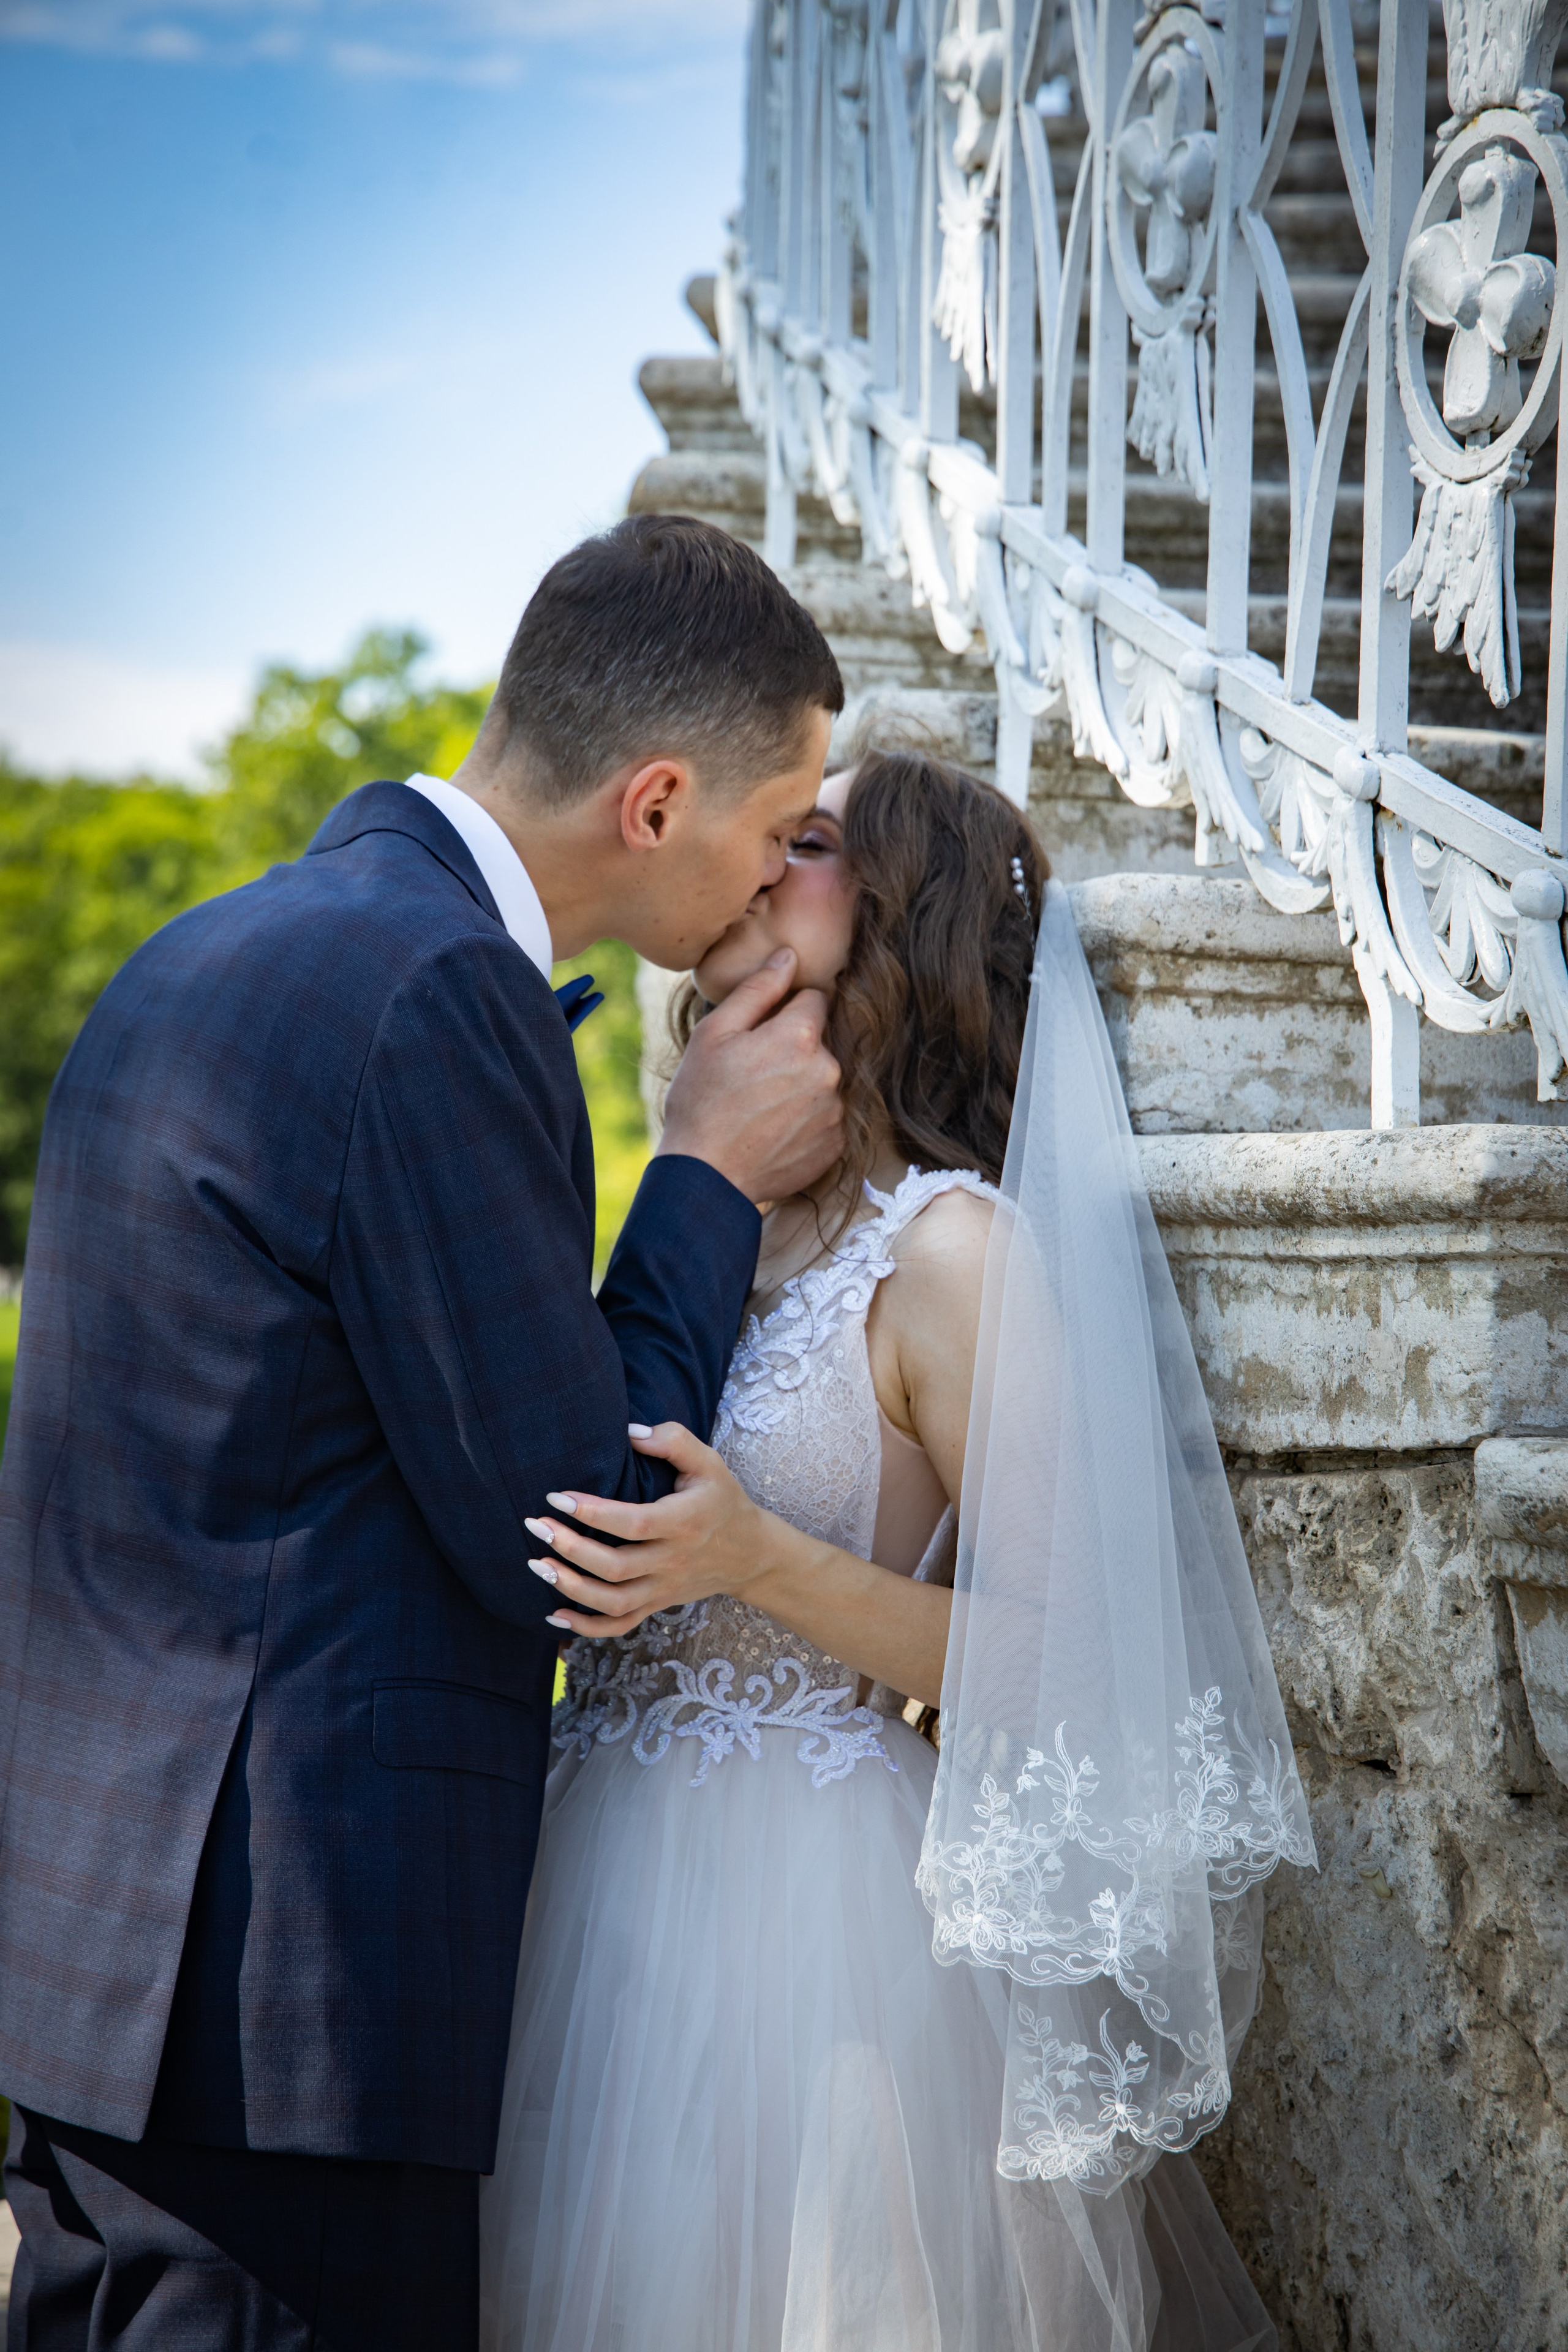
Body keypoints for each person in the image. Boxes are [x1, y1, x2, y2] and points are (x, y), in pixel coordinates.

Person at [0, 517, 851, 2351]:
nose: (784, 870)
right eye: (783, 824)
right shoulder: (436, 990)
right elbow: (581, 1528)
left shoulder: (211, 951)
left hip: (101, 1965)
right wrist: (706, 1170)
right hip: (288, 2007)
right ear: (656, 803)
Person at [481, 749, 1315, 2352]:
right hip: (582, 1888)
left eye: (800, 840)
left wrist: (756, 1561)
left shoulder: (952, 1252)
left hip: (817, 1935)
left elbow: (1057, 1657)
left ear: (897, 917)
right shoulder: (710, 1218)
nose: (750, 862)